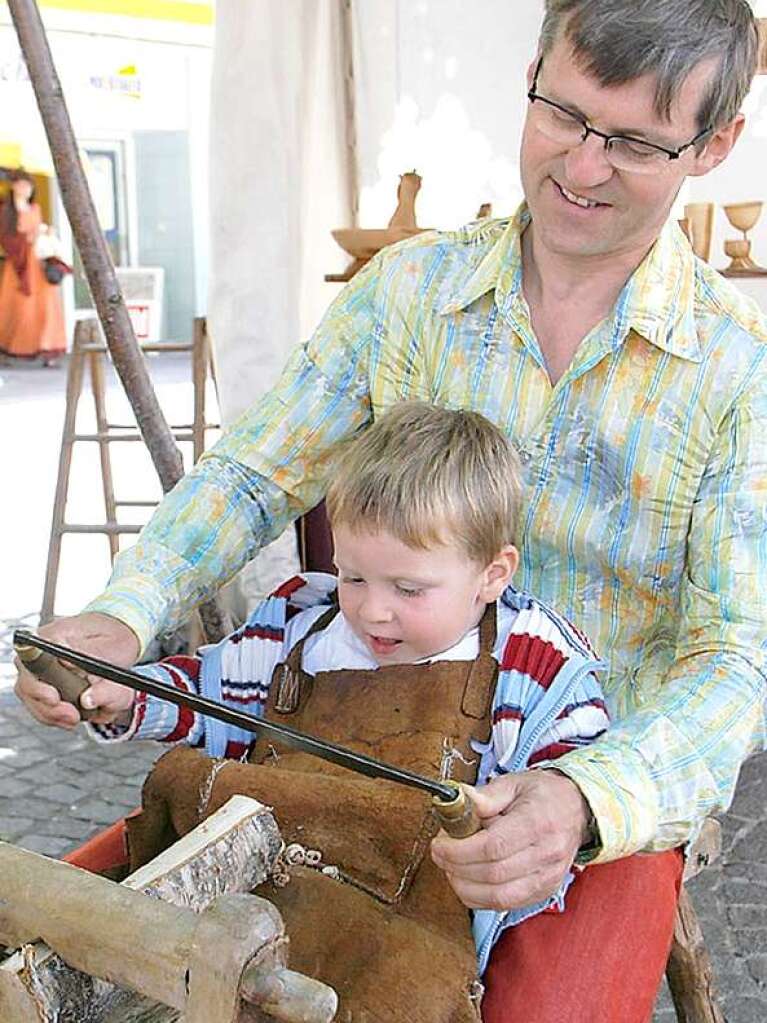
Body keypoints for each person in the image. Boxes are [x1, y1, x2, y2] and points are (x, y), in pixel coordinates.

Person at [15, 1, 767, 1019]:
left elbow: (737, 656)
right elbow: (251, 474)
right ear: (533, 72)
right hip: (337, 755)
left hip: (571, 804)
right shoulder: (409, 292)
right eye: (561, 115)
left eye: (632, 142)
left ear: (714, 142)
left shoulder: (733, 373)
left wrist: (590, 798)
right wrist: (127, 612)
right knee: (64, 936)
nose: (581, 169)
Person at [84, 402, 609, 1018]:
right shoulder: (301, 627)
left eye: (408, 589)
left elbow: (579, 778)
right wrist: (128, 695)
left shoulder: (534, 663)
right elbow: (206, 698)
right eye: (353, 577)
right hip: (249, 900)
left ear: (493, 574)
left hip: (398, 947)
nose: (371, 611)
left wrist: (545, 809)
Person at [0, 168, 67, 365]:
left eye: (28, 185)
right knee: (18, 308)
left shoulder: (35, 209)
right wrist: (29, 238)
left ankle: (47, 349)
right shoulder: (6, 212)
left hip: (38, 265)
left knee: (45, 308)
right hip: (20, 267)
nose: (25, 189)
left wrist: (45, 233)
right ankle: (11, 347)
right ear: (13, 187)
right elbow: (7, 239)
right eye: (21, 185)